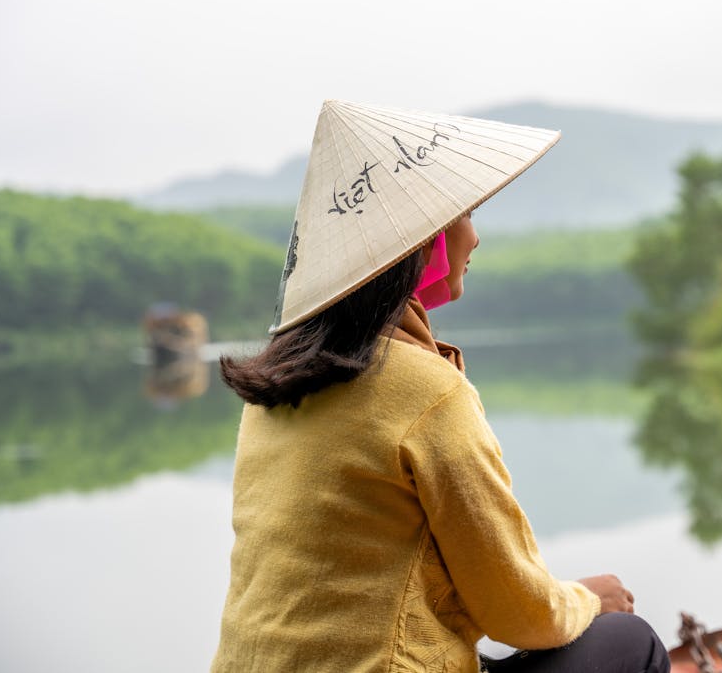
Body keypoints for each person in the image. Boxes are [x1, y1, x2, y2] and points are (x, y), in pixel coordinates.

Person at [211, 101, 670, 673]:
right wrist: (588, 599)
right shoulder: (425, 390)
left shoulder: (273, 390)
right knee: (630, 641)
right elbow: (518, 614)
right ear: (424, 243)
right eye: (466, 216)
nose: (474, 239)